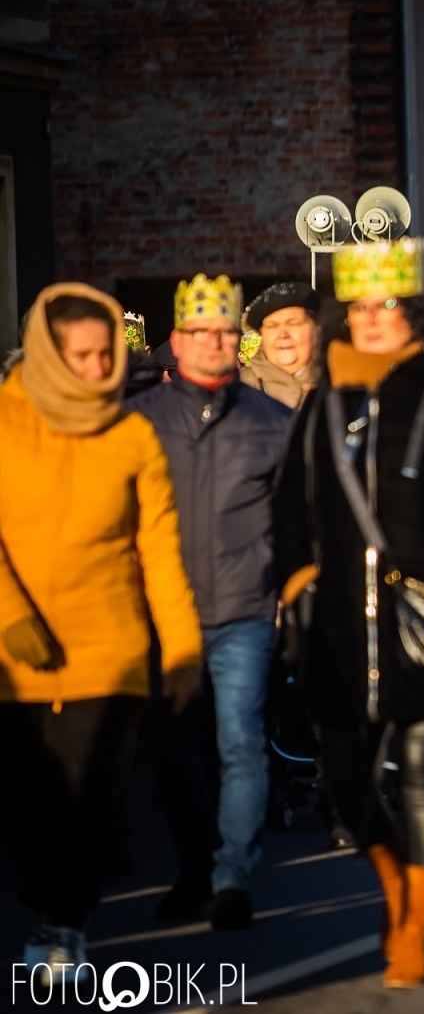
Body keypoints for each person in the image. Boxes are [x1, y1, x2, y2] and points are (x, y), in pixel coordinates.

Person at [272, 239, 424, 989]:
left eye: (387, 306)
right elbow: (289, 499)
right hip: (339, 621)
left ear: (414, 313)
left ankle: (415, 918)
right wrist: (298, 580)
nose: (372, 319)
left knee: (419, 768)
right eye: (358, 308)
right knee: (347, 780)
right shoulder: (323, 399)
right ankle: (392, 881)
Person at [0, 285, 203, 981]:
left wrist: (179, 649)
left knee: (88, 800)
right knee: (28, 800)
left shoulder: (131, 434)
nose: (95, 369)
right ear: (48, 354)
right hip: (15, 656)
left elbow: (159, 553)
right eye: (79, 356)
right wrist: (11, 618)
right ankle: (46, 901)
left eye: (104, 354)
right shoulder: (3, 421)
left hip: (109, 649)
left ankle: (64, 923)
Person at [128, 274, 293, 931]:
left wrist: (289, 591)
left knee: (240, 742)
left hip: (245, 608)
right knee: (173, 750)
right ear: (178, 340)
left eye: (226, 332)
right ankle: (195, 865)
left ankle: (231, 875)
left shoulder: (273, 423)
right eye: (201, 333)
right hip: (162, 613)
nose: (214, 343)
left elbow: (296, 519)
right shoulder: (140, 421)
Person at [241, 282, 319, 408]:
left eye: (293, 323)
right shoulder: (237, 391)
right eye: (272, 326)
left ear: (317, 328)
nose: (283, 334)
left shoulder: (340, 382)